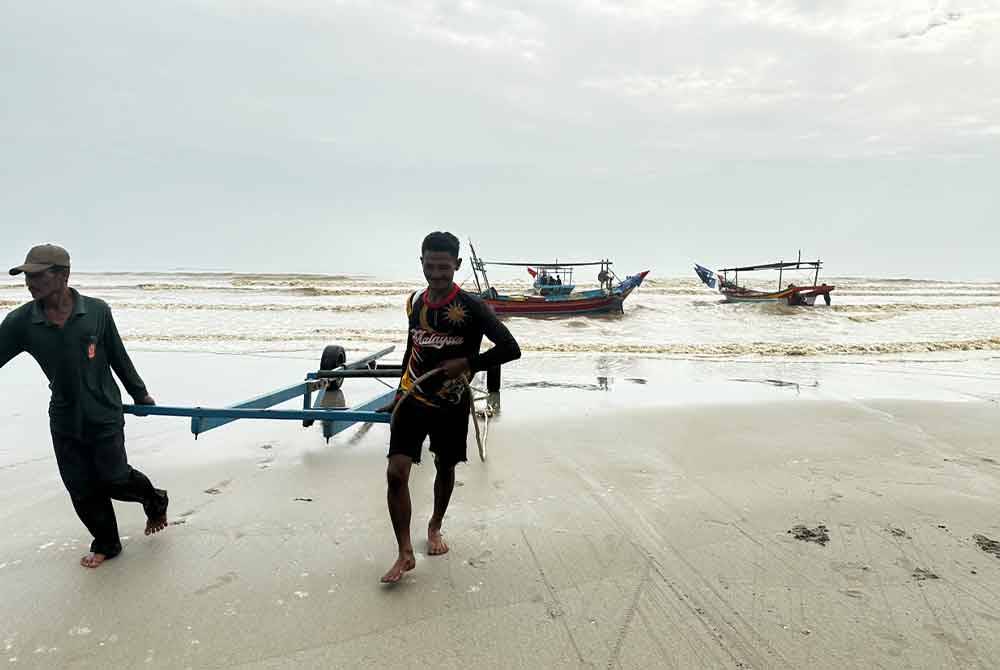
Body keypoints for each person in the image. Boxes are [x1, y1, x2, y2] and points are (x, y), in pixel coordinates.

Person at [0, 244, 168, 569]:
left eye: (37, 275)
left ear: (63, 275)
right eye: (27, 276)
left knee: (114, 477)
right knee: (80, 486)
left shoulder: (96, 311)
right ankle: (107, 543)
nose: (30, 283)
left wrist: (139, 393)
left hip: (104, 411)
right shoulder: (21, 321)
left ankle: (155, 500)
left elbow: (118, 356)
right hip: (64, 416)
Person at [378, 232, 520, 583]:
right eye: (430, 266)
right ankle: (404, 552)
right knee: (396, 473)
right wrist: (398, 393)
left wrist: (468, 363)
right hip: (413, 398)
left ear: (456, 265)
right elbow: (411, 349)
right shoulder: (415, 302)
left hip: (452, 403)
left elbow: (510, 348)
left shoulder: (473, 307)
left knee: (445, 466)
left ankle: (435, 525)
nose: (437, 274)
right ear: (421, 263)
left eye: (444, 267)